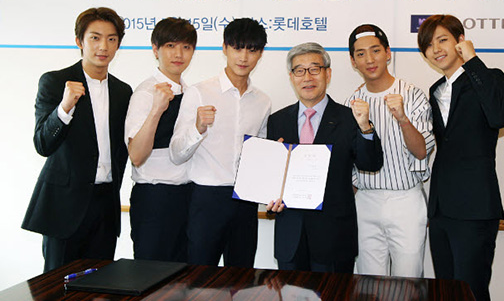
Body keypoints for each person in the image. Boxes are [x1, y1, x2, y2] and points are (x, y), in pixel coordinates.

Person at [22, 7, 132, 272]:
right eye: (95, 38)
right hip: (64, 207)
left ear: (118, 44)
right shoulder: (55, 81)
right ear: (79, 41)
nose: (103, 46)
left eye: (111, 39)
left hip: (105, 206)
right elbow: (43, 144)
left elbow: (121, 150)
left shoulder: (123, 91)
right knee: (57, 285)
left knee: (100, 285)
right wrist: (65, 107)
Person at [417, 14, 504, 301]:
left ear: (460, 40)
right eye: (428, 45)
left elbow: (501, 117)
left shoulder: (489, 77)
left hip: (475, 206)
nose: (436, 49)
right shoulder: (436, 90)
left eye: (442, 40)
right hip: (441, 207)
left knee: (471, 291)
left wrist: (472, 60)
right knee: (445, 290)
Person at [266, 42, 383, 273]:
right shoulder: (277, 121)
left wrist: (366, 128)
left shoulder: (350, 118)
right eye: (299, 70)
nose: (307, 77)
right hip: (290, 237)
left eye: (314, 69)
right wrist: (270, 198)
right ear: (291, 77)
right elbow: (272, 180)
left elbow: (370, 164)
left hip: (334, 238)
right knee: (289, 292)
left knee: (334, 292)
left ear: (328, 74)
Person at [170, 17, 271, 268]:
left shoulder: (263, 101)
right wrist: (197, 128)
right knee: (200, 277)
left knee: (242, 277)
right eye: (237, 48)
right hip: (207, 198)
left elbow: (260, 157)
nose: (244, 57)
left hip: (246, 200)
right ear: (224, 48)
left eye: (252, 50)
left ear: (261, 54)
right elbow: (176, 153)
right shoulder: (199, 92)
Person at [345, 24, 434, 277]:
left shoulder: (412, 95)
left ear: (387, 53)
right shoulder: (351, 103)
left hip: (406, 199)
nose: (369, 59)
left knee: (408, 280)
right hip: (365, 201)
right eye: (360, 54)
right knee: (368, 283)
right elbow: (349, 163)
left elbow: (421, 152)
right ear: (353, 61)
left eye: (375, 50)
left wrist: (402, 118)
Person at [124, 17, 197, 262]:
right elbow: (136, 155)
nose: (179, 54)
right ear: (155, 49)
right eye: (170, 46)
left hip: (188, 196)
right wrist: (157, 109)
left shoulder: (192, 94)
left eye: (186, 47)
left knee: (184, 277)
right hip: (155, 198)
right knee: (151, 275)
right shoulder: (146, 93)